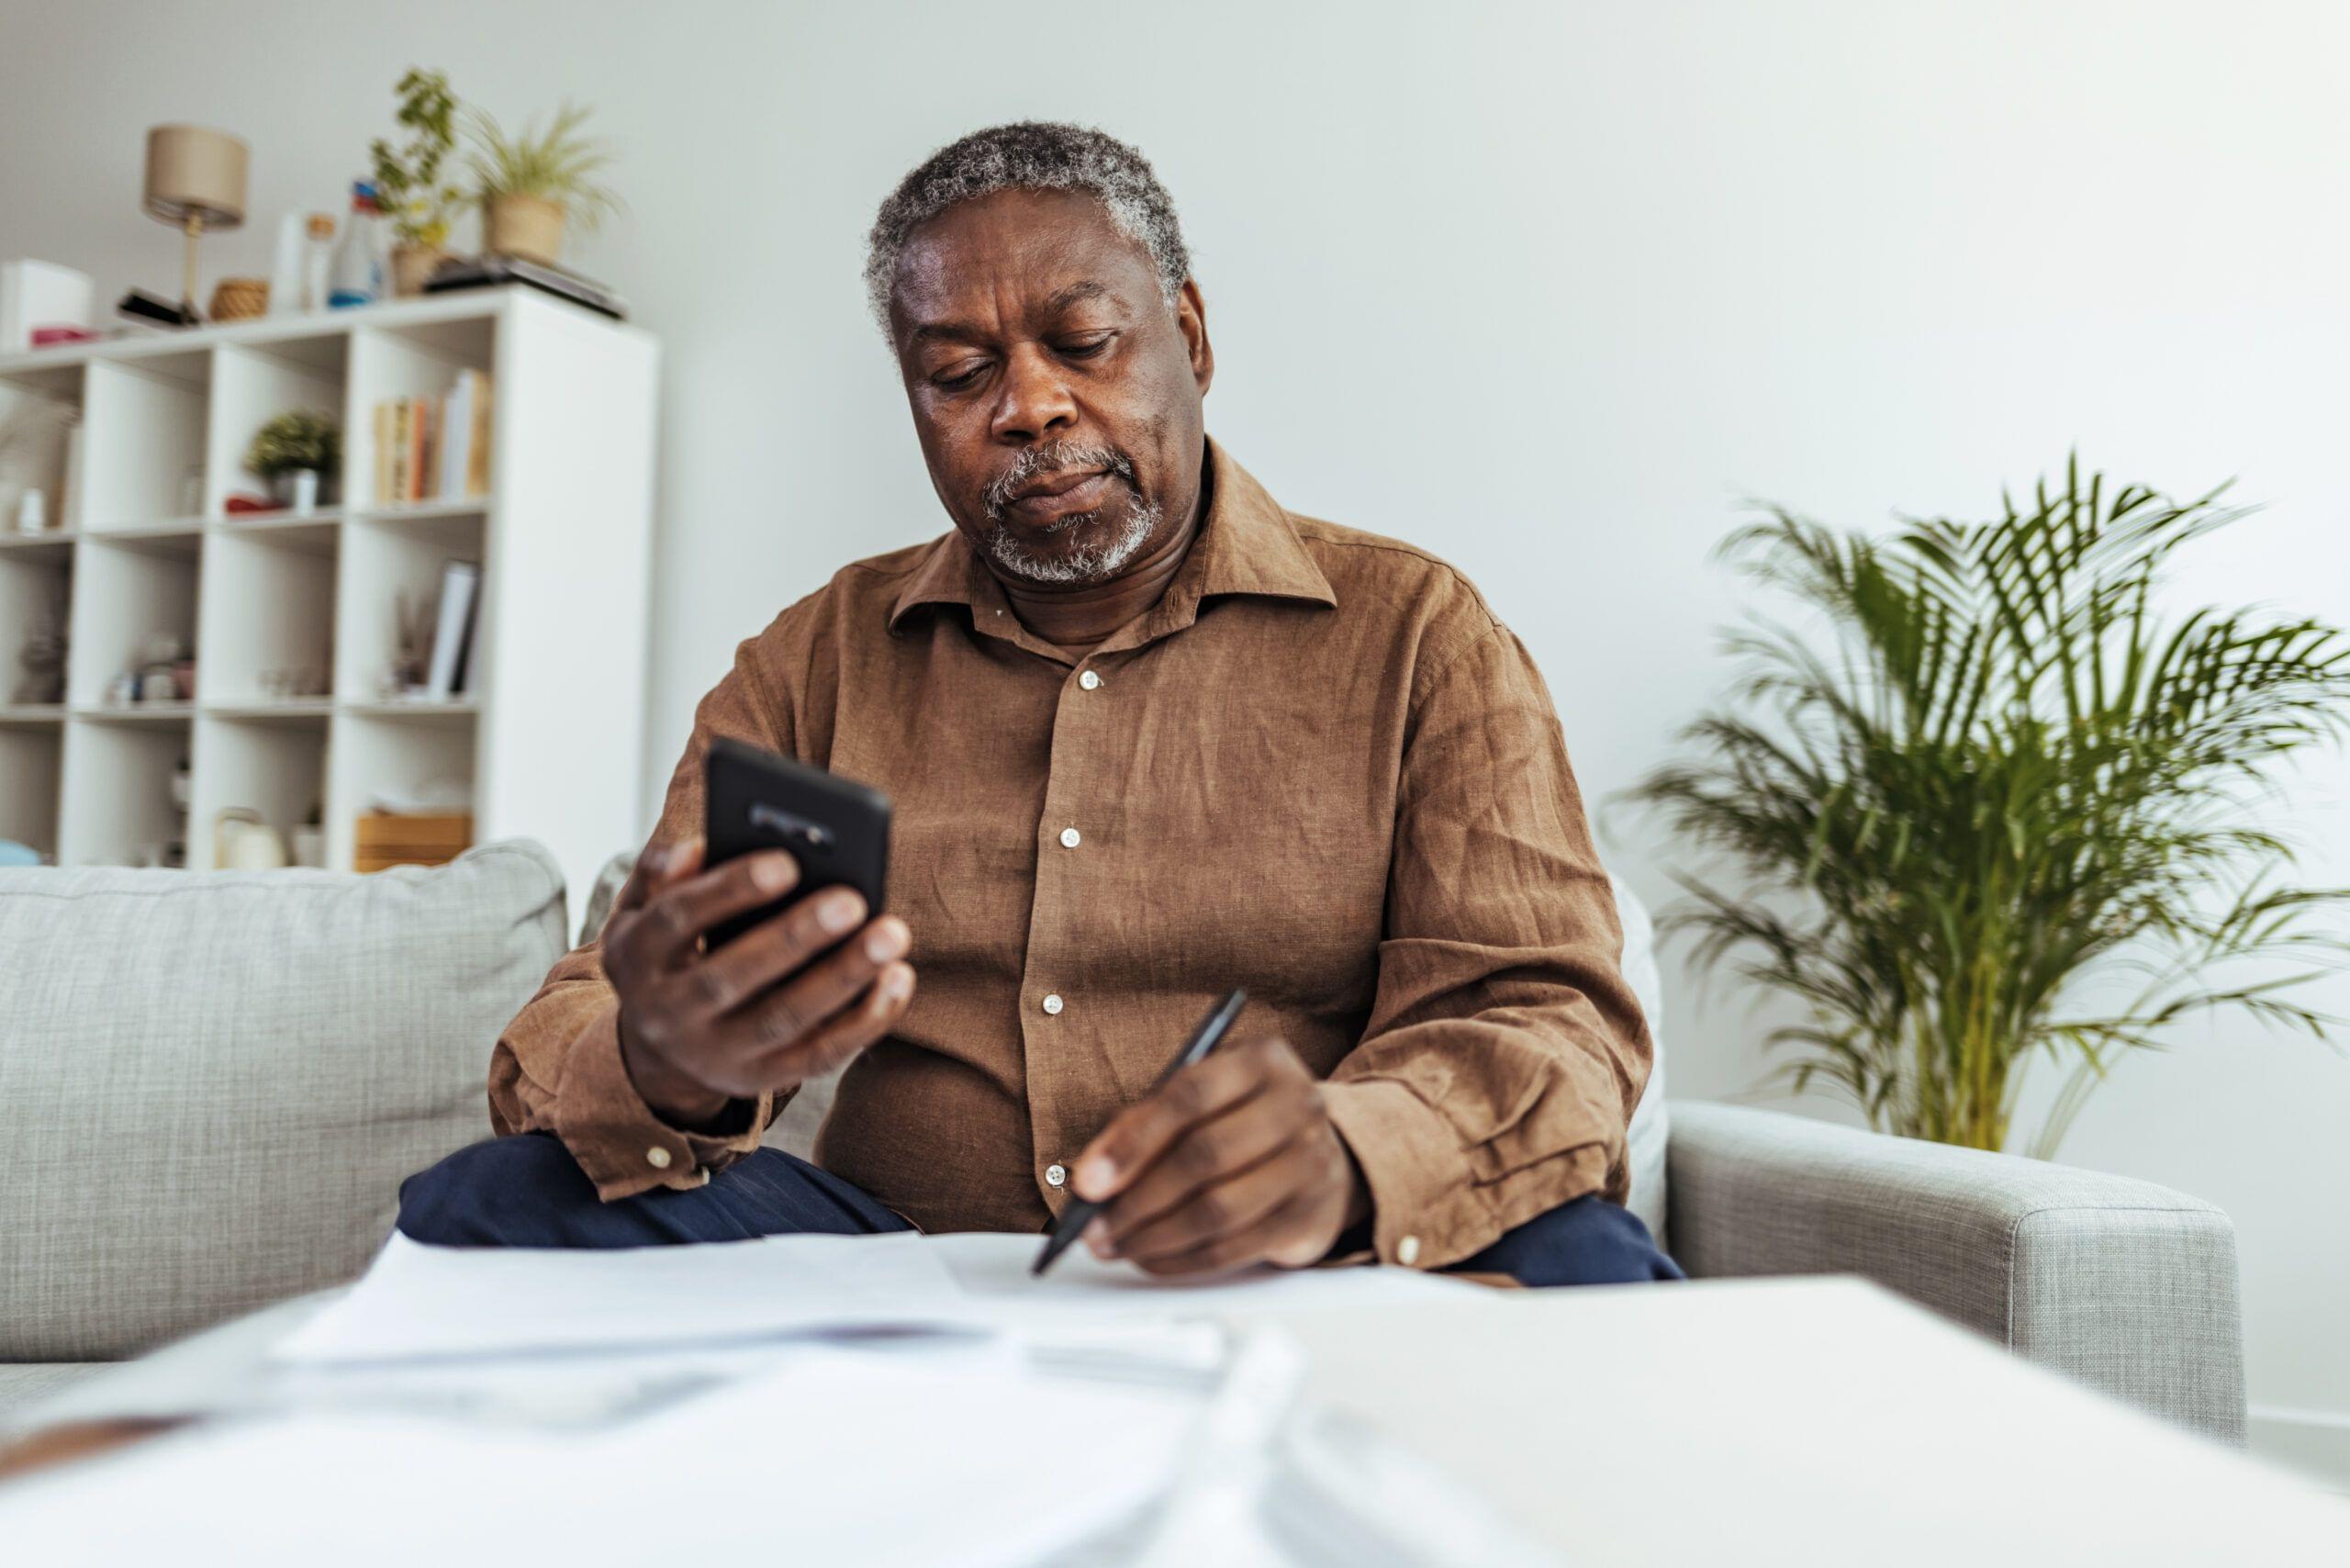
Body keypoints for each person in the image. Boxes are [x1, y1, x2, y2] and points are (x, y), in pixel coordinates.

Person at [399, 121, 1681, 1287]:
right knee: (492, 1201)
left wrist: (1351, 1156)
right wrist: (666, 1061)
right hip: (897, 1264)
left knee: (1587, 1263)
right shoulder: (813, 660)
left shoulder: (1418, 632)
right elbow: (578, 1022)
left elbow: (1551, 1018)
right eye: (958, 372)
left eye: (1084, 343)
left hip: (1302, 1264)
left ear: (1191, 336)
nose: (1029, 406)